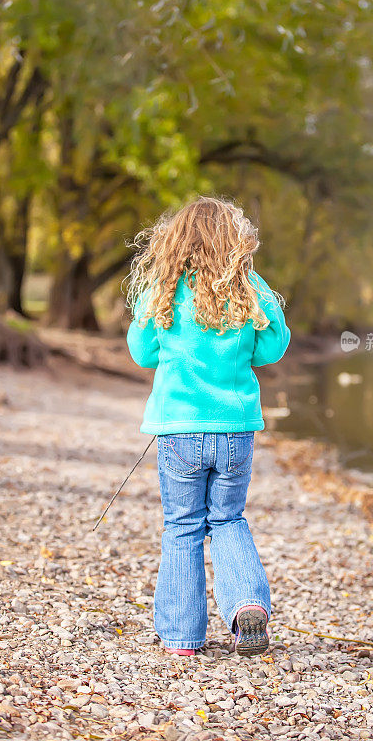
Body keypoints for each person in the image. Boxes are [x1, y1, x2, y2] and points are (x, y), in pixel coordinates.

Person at [126, 196, 290, 656]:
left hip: (179, 430)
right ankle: (245, 607)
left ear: (175, 242)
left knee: (182, 526)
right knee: (228, 519)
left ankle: (182, 637)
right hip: (235, 430)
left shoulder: (163, 288)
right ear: (235, 241)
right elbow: (272, 347)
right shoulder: (247, 287)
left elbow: (142, 353)